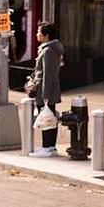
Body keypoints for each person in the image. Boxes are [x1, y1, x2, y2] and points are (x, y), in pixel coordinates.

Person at [27, 22, 64, 158]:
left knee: (47, 118)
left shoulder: (49, 51)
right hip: (46, 89)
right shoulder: (48, 49)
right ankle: (49, 146)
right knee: (49, 117)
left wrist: (45, 95)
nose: (37, 34)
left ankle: (47, 146)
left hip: (46, 90)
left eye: (39, 32)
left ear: (46, 35)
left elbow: (48, 75)